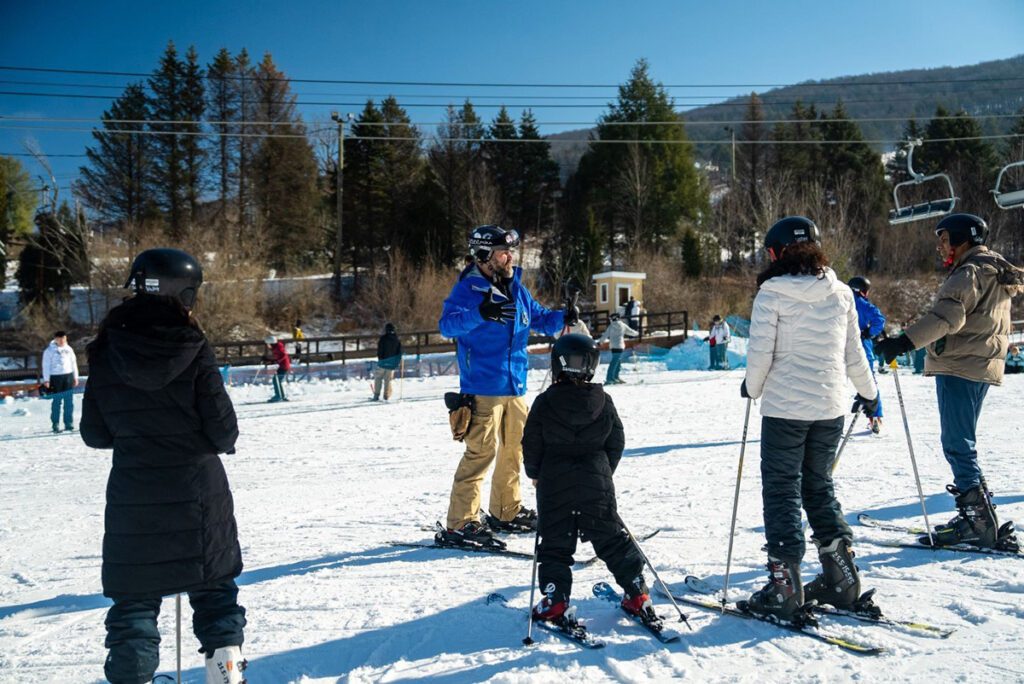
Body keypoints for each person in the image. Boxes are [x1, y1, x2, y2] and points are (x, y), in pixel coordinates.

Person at [80, 248, 247, 684]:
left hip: (135, 495)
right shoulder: (193, 345)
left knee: (134, 601)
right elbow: (223, 432)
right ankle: (225, 675)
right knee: (214, 593)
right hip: (198, 494)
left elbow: (95, 432)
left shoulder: (106, 347)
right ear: (185, 292)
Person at [741, 216, 879, 623]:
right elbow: (854, 353)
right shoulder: (840, 293)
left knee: (783, 489)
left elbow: (760, 355)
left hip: (785, 408)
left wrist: (751, 387)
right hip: (829, 406)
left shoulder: (771, 293)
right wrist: (869, 394)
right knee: (818, 485)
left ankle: (785, 588)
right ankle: (841, 578)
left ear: (779, 252)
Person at [875, 213, 1022, 551]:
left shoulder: (969, 272)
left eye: (944, 239)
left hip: (961, 365)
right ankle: (981, 516)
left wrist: (903, 342)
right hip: (979, 364)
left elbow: (946, 318)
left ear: (962, 239)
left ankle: (977, 523)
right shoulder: (994, 269)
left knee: (957, 445)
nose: (940, 247)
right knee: (962, 442)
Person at [438, 225, 576, 545]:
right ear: (485, 255)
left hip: (514, 386)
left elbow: (539, 318)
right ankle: (461, 522)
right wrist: (480, 313)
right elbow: (447, 325)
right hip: (483, 387)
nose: (509, 256)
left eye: (510, 251)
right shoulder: (468, 290)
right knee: (480, 454)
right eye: (503, 251)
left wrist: (564, 315)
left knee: (515, 450)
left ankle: (505, 510)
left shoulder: (516, 288)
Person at [524, 334, 655, 625]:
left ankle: (555, 600)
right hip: (595, 481)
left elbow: (531, 443)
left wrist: (535, 474)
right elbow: (616, 442)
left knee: (556, 543)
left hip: (555, 482)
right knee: (610, 537)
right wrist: (603, 470)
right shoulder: (603, 400)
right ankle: (636, 592)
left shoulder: (544, 402)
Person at [848, 276, 886, 433]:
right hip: (861, 347)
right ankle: (876, 418)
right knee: (869, 382)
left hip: (841, 346)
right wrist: (869, 332)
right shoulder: (863, 304)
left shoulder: (841, 301)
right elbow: (879, 319)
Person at [41, 330, 79, 433]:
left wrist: (76, 377)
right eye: (59, 339)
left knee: (69, 402)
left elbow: (73, 363)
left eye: (63, 338)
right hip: (55, 378)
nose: (61, 341)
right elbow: (46, 366)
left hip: (68, 377)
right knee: (57, 402)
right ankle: (55, 424)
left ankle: (69, 423)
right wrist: (46, 380)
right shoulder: (49, 351)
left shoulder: (69, 349)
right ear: (55, 339)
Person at [597, 313, 638, 384]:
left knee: (617, 362)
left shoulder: (611, 326)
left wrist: (600, 342)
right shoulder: (622, 325)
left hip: (613, 347)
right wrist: (637, 333)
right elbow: (631, 332)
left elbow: (605, 335)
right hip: (620, 346)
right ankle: (609, 379)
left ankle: (615, 377)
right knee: (615, 362)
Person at [373, 322, 403, 401]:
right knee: (387, 379)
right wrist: (397, 361)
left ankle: (376, 395)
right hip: (391, 362)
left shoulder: (383, 339)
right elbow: (399, 352)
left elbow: (380, 350)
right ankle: (386, 395)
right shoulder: (397, 339)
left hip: (383, 361)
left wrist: (380, 359)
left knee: (378, 378)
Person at [263, 335, 291, 403]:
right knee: (277, 380)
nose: (268, 345)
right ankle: (281, 395)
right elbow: (278, 356)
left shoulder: (278, 347)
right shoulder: (277, 347)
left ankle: (278, 396)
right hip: (282, 365)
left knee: (276, 380)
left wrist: (275, 361)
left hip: (284, 366)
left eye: (268, 344)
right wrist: (269, 360)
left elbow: (283, 355)